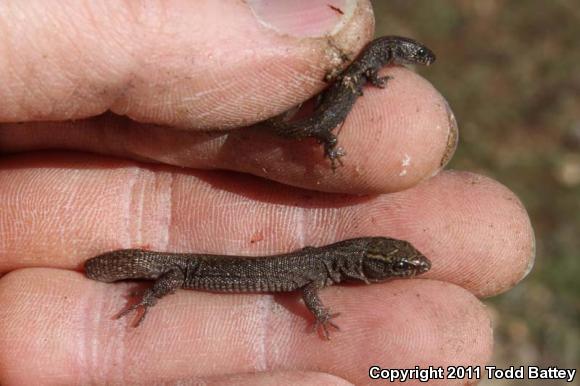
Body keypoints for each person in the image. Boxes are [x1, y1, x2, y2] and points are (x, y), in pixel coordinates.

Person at [0, 1, 534, 384]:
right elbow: (307, 289)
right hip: (183, 268)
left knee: (161, 271)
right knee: (164, 273)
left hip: (188, 265)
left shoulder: (323, 267)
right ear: (366, 264)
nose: (404, 268)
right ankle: (144, 287)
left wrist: (320, 310)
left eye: (397, 265)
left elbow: (311, 285)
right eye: (395, 266)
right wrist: (317, 315)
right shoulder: (320, 269)